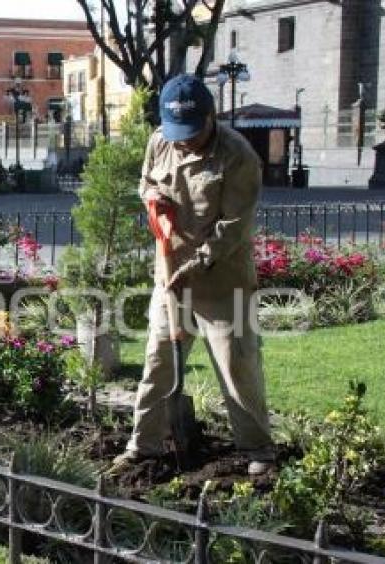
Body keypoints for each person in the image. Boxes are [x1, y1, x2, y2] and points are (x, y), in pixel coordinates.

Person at [114, 74, 275, 476]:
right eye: (175, 131)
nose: (182, 141)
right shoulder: (160, 141)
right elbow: (146, 182)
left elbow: (235, 226)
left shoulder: (238, 155)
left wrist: (197, 261)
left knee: (237, 365)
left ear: (211, 116)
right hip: (170, 279)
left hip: (223, 281)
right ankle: (144, 447)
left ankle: (258, 450)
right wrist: (152, 198)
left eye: (190, 131)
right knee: (157, 363)